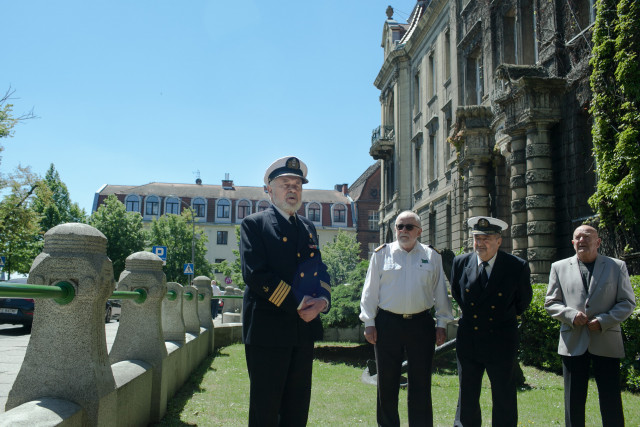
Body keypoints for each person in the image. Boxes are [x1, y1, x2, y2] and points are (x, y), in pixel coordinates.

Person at [240, 155, 331, 427]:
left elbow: (321, 270)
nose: (293, 189)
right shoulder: (254, 224)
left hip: (302, 332)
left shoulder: (307, 227)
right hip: (268, 330)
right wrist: (301, 303)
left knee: (297, 407)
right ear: (269, 190)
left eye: (297, 184)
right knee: (265, 408)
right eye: (285, 184)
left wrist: (323, 301)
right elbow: (256, 275)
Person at [360, 211, 454, 427]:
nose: (403, 231)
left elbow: (440, 292)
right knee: (387, 382)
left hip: (421, 324)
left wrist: (441, 324)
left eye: (409, 227)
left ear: (419, 231)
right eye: (399, 226)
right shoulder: (382, 254)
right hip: (387, 323)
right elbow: (370, 291)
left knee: (421, 382)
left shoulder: (432, 256)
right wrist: (369, 322)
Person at [545, 224, 636, 427]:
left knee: (611, 398)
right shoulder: (558, 267)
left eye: (587, 236)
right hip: (573, 341)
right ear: (572, 242)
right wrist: (570, 315)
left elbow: (627, 302)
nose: (582, 240)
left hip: (606, 340)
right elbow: (551, 303)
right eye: (577, 237)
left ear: (598, 242)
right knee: (573, 399)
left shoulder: (616, 266)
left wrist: (604, 320)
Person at [450, 216, 532, 427]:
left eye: (486, 238)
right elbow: (458, 295)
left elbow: (523, 302)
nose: (480, 243)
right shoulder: (461, 263)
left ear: (498, 241)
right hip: (469, 338)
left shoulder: (516, 266)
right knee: (467, 393)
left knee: (504, 395)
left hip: (501, 339)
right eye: (477, 238)